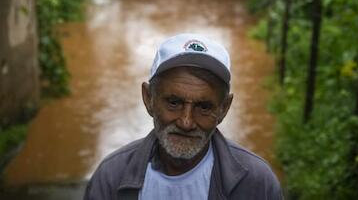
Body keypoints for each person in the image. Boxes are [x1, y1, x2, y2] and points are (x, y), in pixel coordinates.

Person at [84, 33, 283, 200]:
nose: (186, 122)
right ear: (148, 98)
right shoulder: (111, 177)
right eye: (174, 103)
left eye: (203, 107)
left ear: (224, 109)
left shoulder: (257, 184)